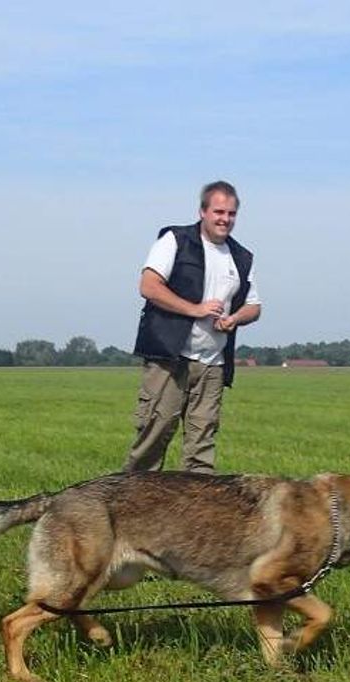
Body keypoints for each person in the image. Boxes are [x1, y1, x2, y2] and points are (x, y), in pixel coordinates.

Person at [125, 180, 262, 474]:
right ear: (203, 211)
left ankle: (196, 517)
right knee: (153, 438)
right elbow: (149, 285)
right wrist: (194, 309)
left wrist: (235, 318)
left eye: (232, 213)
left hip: (212, 364)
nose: (225, 219)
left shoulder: (241, 257)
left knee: (201, 450)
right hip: (170, 359)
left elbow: (254, 306)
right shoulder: (175, 240)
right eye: (219, 212)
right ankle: (130, 512)